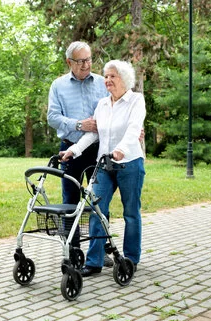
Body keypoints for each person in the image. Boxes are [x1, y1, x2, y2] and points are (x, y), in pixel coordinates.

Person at [60, 59, 146, 277]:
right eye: (106, 76)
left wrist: (121, 149)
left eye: (112, 76)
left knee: (131, 213)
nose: (107, 80)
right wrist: (74, 150)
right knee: (97, 211)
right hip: (104, 165)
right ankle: (94, 261)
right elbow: (93, 133)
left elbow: (134, 129)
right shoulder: (102, 104)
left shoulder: (136, 100)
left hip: (129, 163)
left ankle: (130, 259)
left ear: (124, 79)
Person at [47, 41, 113, 267]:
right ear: (69, 62)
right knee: (70, 202)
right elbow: (52, 117)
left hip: (98, 151)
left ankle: (100, 250)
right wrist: (79, 125)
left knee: (99, 202)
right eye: (81, 61)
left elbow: (116, 109)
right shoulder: (58, 85)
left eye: (89, 59)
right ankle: (73, 251)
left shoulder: (102, 83)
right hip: (70, 151)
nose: (86, 64)